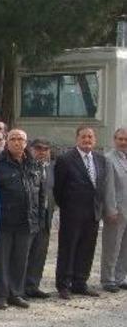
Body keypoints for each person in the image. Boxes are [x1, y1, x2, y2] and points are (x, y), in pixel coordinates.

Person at [0, 129, 44, 310]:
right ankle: (0, 295)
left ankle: (16, 293)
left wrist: (39, 218)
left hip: (27, 221)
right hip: (4, 222)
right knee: (2, 261)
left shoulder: (33, 164)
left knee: (20, 260)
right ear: (7, 142)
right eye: (12, 139)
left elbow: (40, 193)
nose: (16, 142)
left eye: (20, 139)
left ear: (26, 143)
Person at [54, 126, 107, 299]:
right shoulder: (65, 160)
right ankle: (64, 285)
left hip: (92, 213)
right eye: (83, 137)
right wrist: (68, 207)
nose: (87, 140)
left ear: (95, 139)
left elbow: (100, 186)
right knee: (68, 249)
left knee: (87, 249)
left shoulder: (100, 160)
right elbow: (58, 190)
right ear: (77, 139)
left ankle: (80, 283)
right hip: (72, 213)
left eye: (90, 137)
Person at [24, 138, 55, 299]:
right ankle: (19, 288)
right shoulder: (26, 167)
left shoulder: (50, 168)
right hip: (29, 218)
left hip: (45, 218)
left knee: (39, 254)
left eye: (45, 149)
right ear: (30, 149)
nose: (42, 152)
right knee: (24, 254)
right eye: (38, 148)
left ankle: (33, 285)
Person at [101, 128, 127, 292]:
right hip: (117, 210)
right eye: (120, 139)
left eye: (126, 140)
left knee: (125, 246)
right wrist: (110, 209)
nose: (123, 142)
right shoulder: (109, 159)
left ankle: (120, 277)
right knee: (112, 245)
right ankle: (108, 279)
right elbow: (108, 187)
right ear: (114, 140)